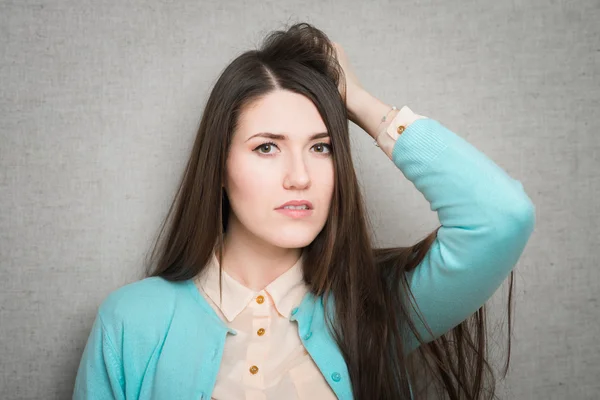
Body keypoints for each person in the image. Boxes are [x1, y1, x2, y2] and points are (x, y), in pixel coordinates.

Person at [73, 22, 535, 400]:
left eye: (321, 147)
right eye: (267, 147)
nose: (300, 176)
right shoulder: (132, 321)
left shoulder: (376, 307)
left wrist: (356, 100)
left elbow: (502, 216)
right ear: (219, 165)